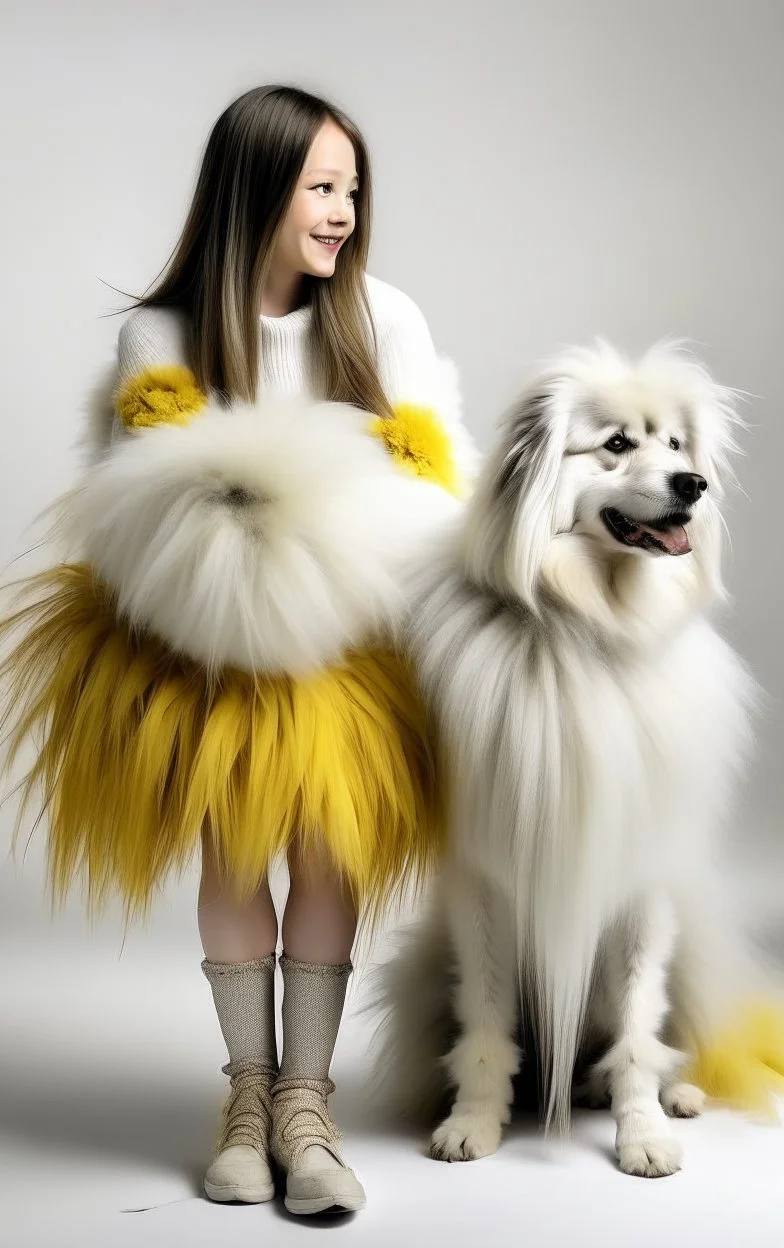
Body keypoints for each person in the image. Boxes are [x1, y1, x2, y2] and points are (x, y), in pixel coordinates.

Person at [0, 84, 478, 1216]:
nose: (343, 212)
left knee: (328, 854)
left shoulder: (382, 321)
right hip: (203, 653)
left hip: (344, 652)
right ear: (252, 192)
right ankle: (248, 1096)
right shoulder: (157, 337)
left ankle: (307, 1105)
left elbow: (426, 491)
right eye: (319, 187)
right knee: (233, 852)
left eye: (352, 189)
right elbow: (144, 512)